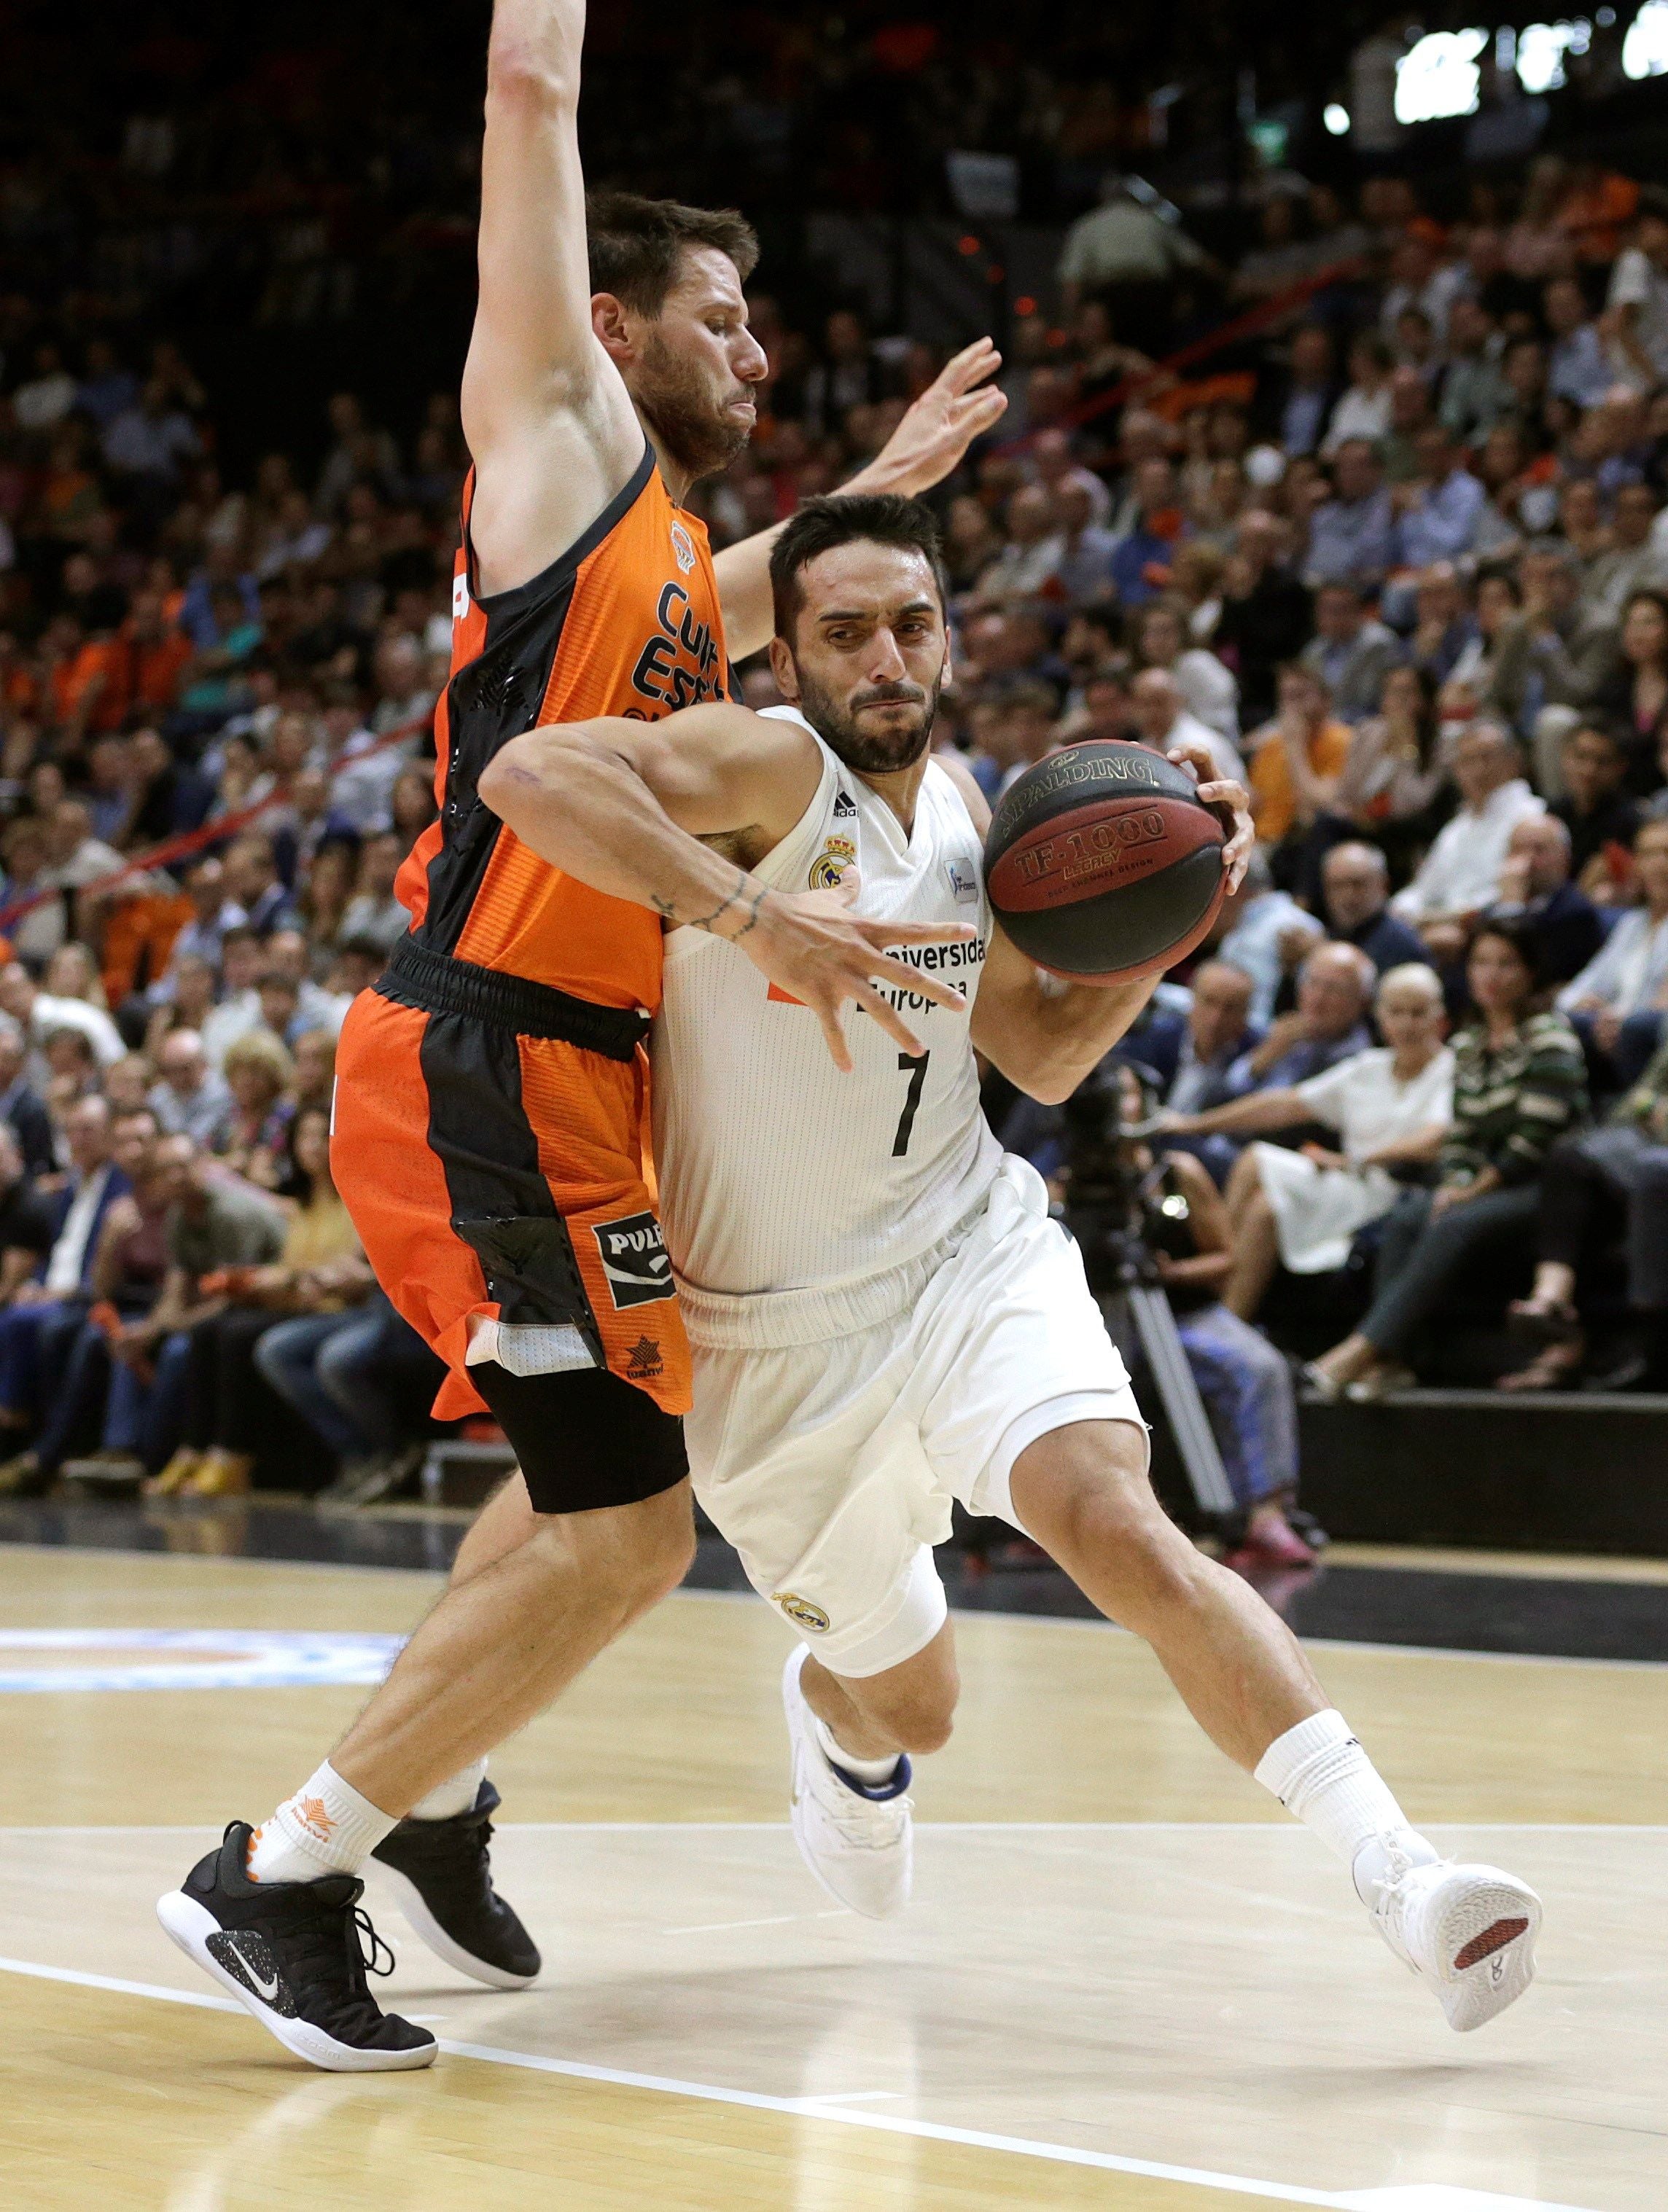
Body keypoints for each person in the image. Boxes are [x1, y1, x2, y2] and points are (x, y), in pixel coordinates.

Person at [162, 0, 1008, 2076]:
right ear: (614, 327)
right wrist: (541, 51)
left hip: (577, 1076)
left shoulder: (639, 560)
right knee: (630, 1530)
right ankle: (280, 1867)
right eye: (726, 316)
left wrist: (878, 489)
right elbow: (527, 83)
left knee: (588, 1490)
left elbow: (716, 599)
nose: (761, 352)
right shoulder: (551, 427)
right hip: (488, 1057)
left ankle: (435, 1790)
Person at [463, 491, 1540, 2036]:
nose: (885, 655)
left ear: (949, 633)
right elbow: (525, 769)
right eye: (844, 627)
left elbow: (1031, 1050)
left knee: (1120, 1523)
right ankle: (844, 1726)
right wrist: (748, 918)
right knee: (919, 1705)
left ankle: (1404, 1872)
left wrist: (1169, 919)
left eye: (911, 622)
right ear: (797, 646)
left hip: (964, 1248)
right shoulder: (765, 760)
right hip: (776, 1345)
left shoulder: (970, 807)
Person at [1308, 919, 1587, 1400]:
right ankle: (1394, 1362)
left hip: (1547, 1188)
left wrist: (1467, 1191)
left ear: (1529, 973)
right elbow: (1460, 1134)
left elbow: (1533, 1142)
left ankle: (1360, 1348)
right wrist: (1453, 1182)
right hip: (1482, 1182)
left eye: (1506, 963)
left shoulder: (1550, 1037)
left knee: (1453, 1223)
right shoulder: (1468, 1044)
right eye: (1481, 962)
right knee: (1407, 1218)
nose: (1491, 975)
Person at [1101, 1066, 1317, 1573]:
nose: (1117, 1104)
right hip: (1103, 1322)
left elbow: (1227, 1259)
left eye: (1127, 1093)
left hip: (1181, 1313)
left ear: (1147, 1103)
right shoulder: (1068, 1178)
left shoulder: (1179, 1171)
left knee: (1259, 1365)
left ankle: (1266, 1514)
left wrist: (1169, 1271)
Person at [1166, 966, 1452, 1320]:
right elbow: (1284, 1105)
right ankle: (1229, 1315)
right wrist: (1194, 1124)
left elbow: (1434, 1139)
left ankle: (1216, 1272)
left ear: (1440, 1019)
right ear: (1380, 1016)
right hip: (1345, 1183)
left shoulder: (1450, 1069)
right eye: (1396, 1012)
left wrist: (1355, 1160)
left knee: (1256, 1164)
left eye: (1418, 1013)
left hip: (1393, 1192)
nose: (1407, 1024)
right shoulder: (1369, 1067)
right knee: (1263, 1206)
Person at [1497, 1032, 1668, 1391]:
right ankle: (1553, 1301)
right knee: (1570, 1158)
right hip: (1654, 1136)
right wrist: (1651, 1108)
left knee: (1654, 1178)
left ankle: (1651, 1347)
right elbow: (1640, 1098)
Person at [1390, 723, 1546, 951]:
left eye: (1487, 758)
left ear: (1514, 761)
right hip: (1433, 923)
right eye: (1468, 761)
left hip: (1484, 934)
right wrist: (1399, 911)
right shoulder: (1457, 827)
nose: (1478, 770)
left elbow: (1505, 895)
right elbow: (1423, 889)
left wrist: (1437, 920)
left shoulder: (1530, 818)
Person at [1556, 816, 1668, 1092]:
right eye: (1649, 854)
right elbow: (1570, 997)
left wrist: (1618, 1018)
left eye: (1667, 853)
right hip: (1610, 1034)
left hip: (1652, 1045)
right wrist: (1597, 1014)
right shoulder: (1630, 925)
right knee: (1560, 1026)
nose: (1659, 864)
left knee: (1637, 1029)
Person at [1487, 816, 1608, 989]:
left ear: (1565, 857)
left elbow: (1525, 978)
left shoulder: (1575, 912)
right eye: (1518, 850)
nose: (1527, 860)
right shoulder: (1496, 906)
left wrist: (1511, 908)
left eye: (1539, 850)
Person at [1317, 843, 1427, 975]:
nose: (1347, 895)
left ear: (1383, 885)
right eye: (1337, 885)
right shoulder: (1326, 937)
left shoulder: (1403, 946)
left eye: (1358, 884)